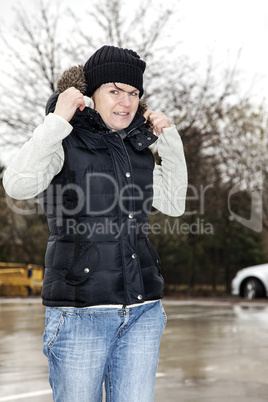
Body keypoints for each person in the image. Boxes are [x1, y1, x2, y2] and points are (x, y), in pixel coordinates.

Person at [3, 45, 187, 402]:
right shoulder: (63, 138)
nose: (126, 101)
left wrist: (172, 142)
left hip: (143, 312)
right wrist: (57, 119)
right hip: (79, 314)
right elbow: (17, 183)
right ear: (92, 94)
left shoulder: (139, 147)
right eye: (114, 90)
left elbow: (174, 204)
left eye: (133, 93)